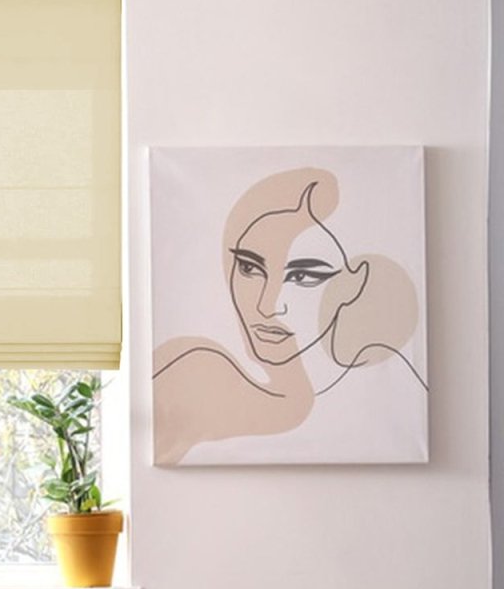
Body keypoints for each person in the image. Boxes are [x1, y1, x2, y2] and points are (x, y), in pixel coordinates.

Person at [153, 167, 427, 466]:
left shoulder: (393, 401)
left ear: (354, 285)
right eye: (249, 268)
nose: (267, 305)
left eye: (301, 276)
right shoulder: (190, 371)